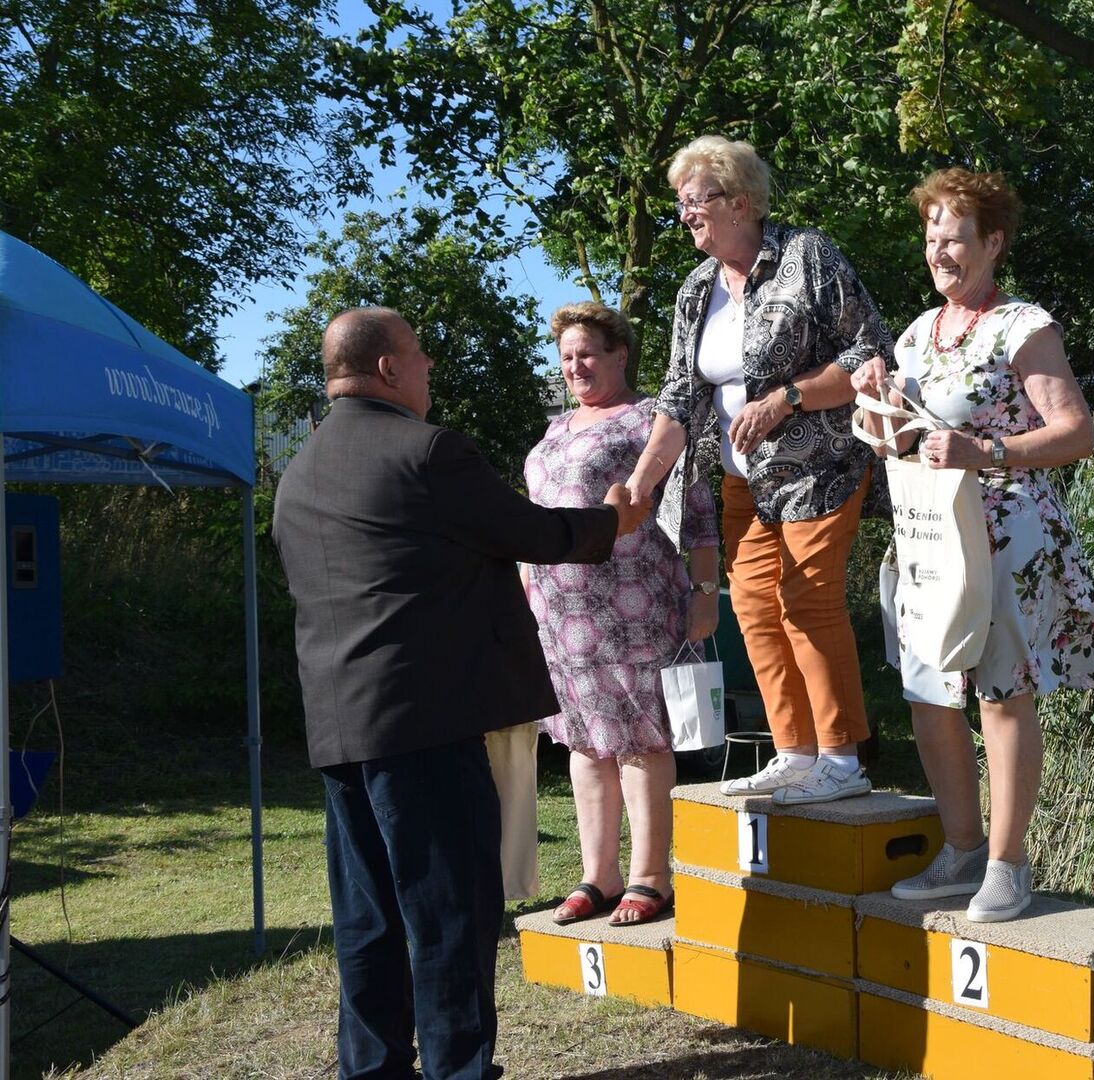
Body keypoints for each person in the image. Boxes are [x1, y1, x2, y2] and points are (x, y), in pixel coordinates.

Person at [271, 306, 649, 1080]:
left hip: (339, 728)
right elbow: (530, 533)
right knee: (450, 913)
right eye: (419, 353)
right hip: (429, 722)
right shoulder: (428, 451)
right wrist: (612, 521)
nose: (429, 366)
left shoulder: (299, 470)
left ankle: (372, 1069)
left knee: (368, 918)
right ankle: (458, 1070)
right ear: (388, 368)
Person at [853, 169, 1094, 922]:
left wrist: (986, 452)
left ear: (993, 243)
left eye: (954, 238)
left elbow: (1076, 433)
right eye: (931, 237)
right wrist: (876, 410)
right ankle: (962, 850)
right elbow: (902, 442)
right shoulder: (915, 334)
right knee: (928, 693)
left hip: (1007, 530)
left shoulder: (1022, 326)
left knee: (1003, 693)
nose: (939, 251)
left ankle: (1007, 865)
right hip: (931, 531)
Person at [625, 134, 892, 805]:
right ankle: (795, 753)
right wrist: (642, 481)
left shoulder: (808, 256)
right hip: (744, 481)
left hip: (822, 467)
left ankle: (843, 759)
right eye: (680, 204)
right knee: (752, 609)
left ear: (740, 202)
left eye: (696, 200)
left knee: (808, 601)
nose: (685, 214)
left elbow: (871, 352)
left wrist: (787, 398)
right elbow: (679, 396)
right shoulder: (695, 290)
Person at [525, 301, 720, 927]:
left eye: (587, 353)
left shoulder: (650, 421)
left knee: (640, 739)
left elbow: (698, 513)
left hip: (635, 605)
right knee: (584, 741)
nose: (575, 366)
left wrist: (705, 592)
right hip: (561, 615)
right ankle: (598, 875)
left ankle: (650, 877)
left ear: (620, 354)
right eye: (566, 356)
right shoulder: (556, 428)